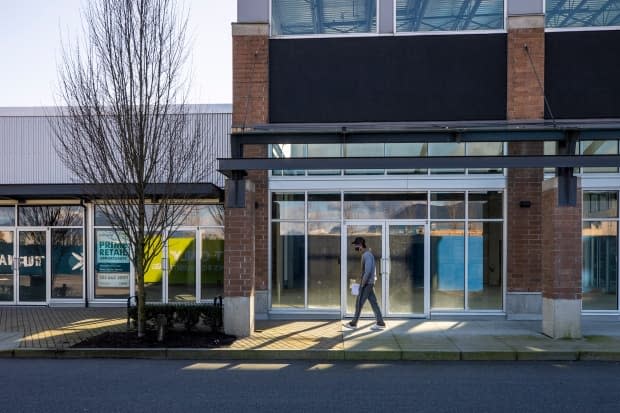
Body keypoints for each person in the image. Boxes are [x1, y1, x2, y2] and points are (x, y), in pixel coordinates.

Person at [344, 236, 386, 331]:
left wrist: (362, 284)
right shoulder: (368, 254)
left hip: (367, 283)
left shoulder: (366, 255)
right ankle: (380, 323)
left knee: (359, 303)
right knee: (374, 303)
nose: (355, 248)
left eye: (356, 245)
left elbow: (367, 271)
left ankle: (353, 323)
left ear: (360, 245)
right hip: (370, 283)